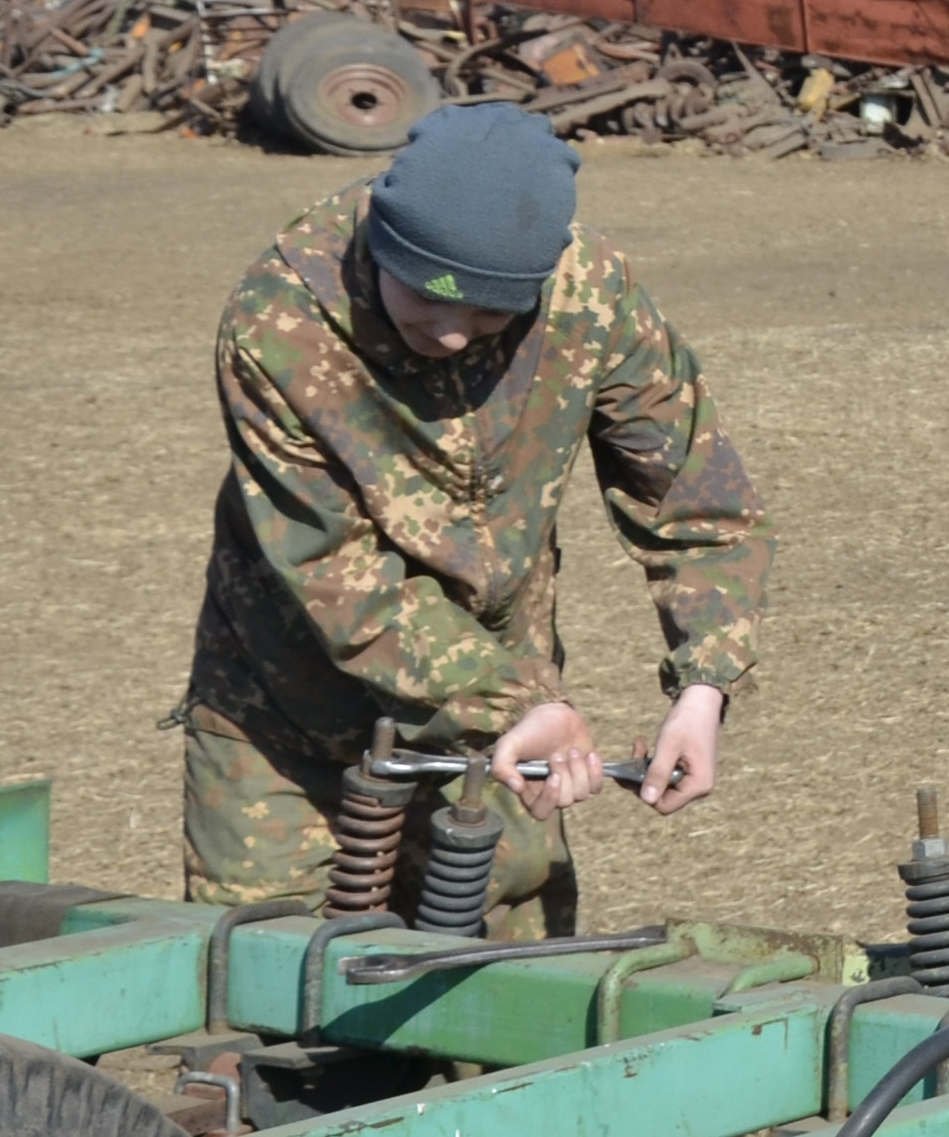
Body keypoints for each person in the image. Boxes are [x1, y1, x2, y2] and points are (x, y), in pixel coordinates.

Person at [180, 100, 767, 923]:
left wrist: (705, 686)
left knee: (496, 958)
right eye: (427, 299)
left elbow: (694, 498)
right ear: (384, 242)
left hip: (500, 709)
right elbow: (333, 568)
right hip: (288, 704)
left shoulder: (589, 295)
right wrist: (514, 702)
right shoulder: (281, 320)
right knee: (260, 965)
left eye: (492, 314)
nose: (454, 336)